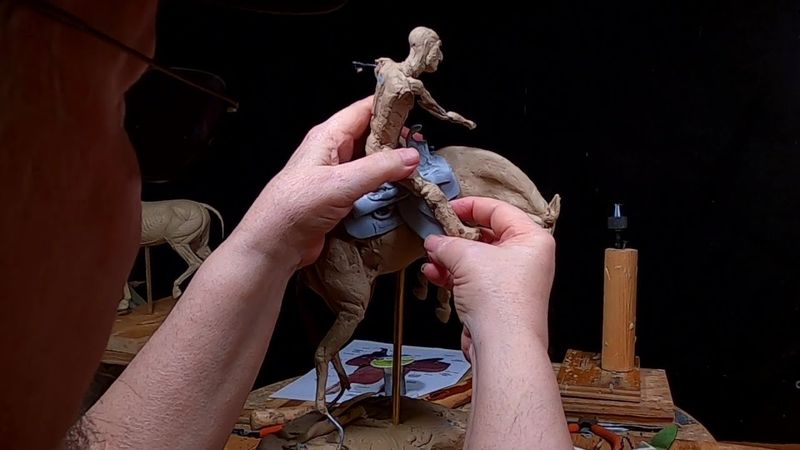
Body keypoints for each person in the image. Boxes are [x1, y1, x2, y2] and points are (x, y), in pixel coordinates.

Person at [0, 1, 573, 449]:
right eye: (124, 107)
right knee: (425, 189)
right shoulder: (395, 78)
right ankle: (452, 232)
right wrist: (512, 333)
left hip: (398, 144)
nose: (132, 183)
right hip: (387, 151)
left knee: (433, 174)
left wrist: (268, 244)